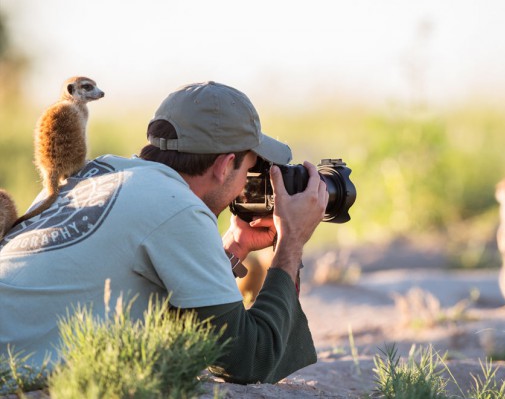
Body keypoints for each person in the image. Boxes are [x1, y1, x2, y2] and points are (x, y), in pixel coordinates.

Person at [0, 81, 328, 384]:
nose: (245, 184)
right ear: (224, 165)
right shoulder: (179, 207)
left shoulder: (90, 173)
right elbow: (247, 360)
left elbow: (176, 309)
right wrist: (291, 243)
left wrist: (235, 246)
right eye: (248, 169)